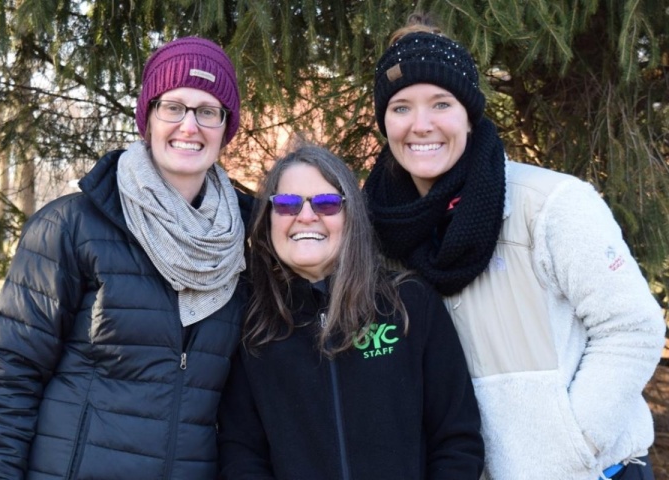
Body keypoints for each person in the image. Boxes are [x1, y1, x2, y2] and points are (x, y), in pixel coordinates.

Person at [362, 13, 667, 480]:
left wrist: (574, 446)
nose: (420, 124)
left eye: (440, 103)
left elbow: (631, 327)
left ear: (468, 112)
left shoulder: (549, 204)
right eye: (401, 107)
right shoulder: (383, 229)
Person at [0, 36, 250, 479]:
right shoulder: (71, 226)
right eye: (173, 106)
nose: (189, 126)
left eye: (208, 111)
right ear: (148, 116)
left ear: (225, 126)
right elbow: (11, 375)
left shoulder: (241, 247)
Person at [217, 143, 484, 479]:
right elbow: (241, 453)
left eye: (327, 203)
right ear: (268, 218)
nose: (306, 216)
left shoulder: (408, 303)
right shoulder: (252, 322)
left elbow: (456, 440)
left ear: (351, 214)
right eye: (287, 204)